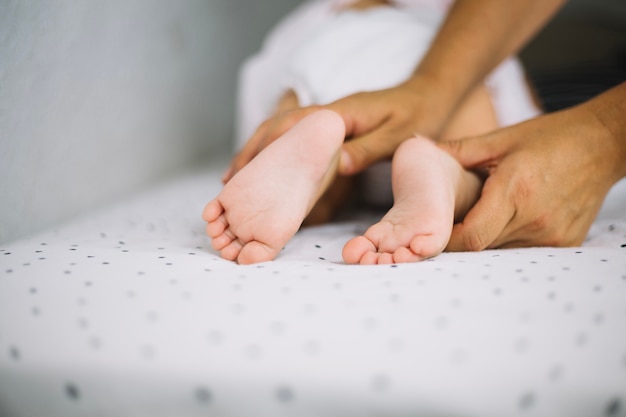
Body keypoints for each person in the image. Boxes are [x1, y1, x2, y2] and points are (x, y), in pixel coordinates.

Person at [203, 0, 543, 264]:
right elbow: (533, 133)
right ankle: (443, 170)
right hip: (453, 56)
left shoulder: (331, 16)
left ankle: (321, 175)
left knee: (316, 163)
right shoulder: (487, 22)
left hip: (334, 43)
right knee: (479, 164)